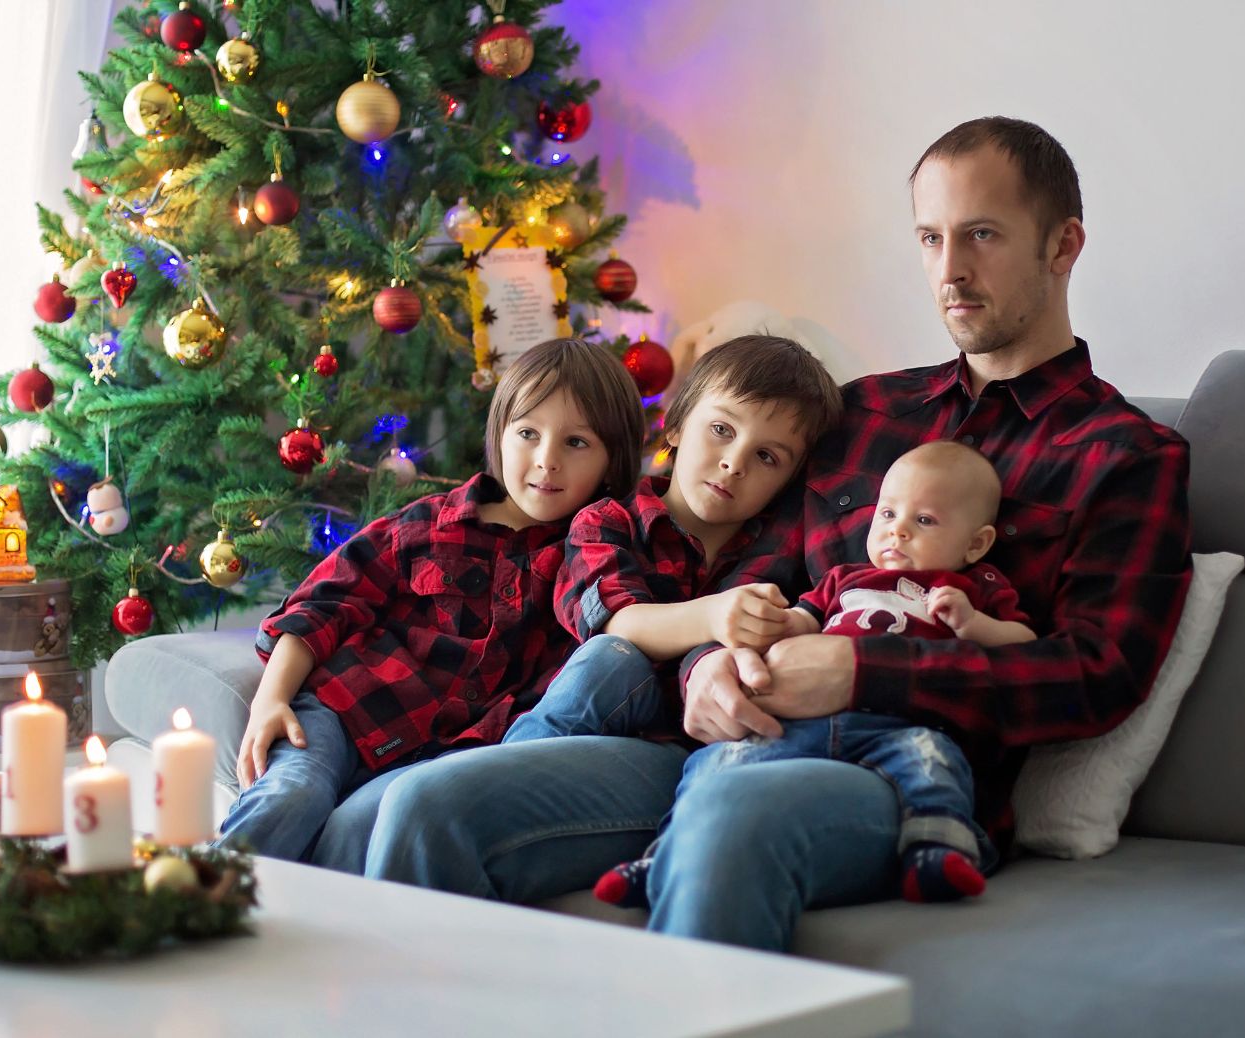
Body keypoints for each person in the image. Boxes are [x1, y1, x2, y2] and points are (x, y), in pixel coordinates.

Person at [360, 116, 1193, 952]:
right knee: (430, 806)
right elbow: (744, 566)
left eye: (981, 235)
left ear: (1063, 245)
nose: (949, 270)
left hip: (899, 775)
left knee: (730, 815)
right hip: (729, 734)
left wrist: (862, 667)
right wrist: (706, 666)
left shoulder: (1124, 455)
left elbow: (1098, 675)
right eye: (931, 238)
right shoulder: (863, 413)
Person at [214, 337, 645, 863]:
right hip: (342, 712)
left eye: (576, 443)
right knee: (291, 796)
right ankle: (196, 906)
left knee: (361, 834)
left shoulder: (594, 555)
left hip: (441, 758)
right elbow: (319, 605)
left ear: (611, 460)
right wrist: (271, 700)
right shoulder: (426, 523)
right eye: (528, 433)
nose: (546, 460)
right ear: (500, 437)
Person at [587, 440, 1037, 910]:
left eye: (923, 521)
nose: (896, 532)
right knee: (716, 762)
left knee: (935, 760)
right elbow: (805, 618)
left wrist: (974, 625)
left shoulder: (974, 589)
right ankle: (662, 857)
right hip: (800, 723)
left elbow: (1025, 648)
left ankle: (935, 850)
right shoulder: (845, 579)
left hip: (897, 727)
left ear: (976, 543)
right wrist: (777, 624)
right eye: (887, 515)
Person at [501, 334, 843, 749]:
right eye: (721, 429)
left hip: (699, 749)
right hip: (596, 730)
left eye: (766, 457)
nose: (734, 464)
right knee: (609, 658)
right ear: (676, 425)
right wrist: (713, 616)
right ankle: (499, 779)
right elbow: (614, 620)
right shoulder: (608, 522)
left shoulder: (781, 554)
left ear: (788, 480)